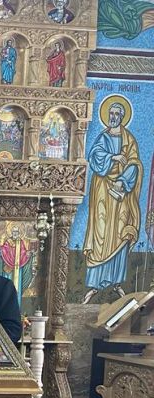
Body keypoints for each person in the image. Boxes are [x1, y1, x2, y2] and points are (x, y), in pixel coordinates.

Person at [82, 100, 141, 304]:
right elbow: (94, 156)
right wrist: (113, 157)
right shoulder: (103, 136)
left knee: (119, 232)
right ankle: (94, 285)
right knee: (100, 232)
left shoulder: (129, 139)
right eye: (112, 113)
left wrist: (123, 179)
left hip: (120, 192)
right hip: (102, 190)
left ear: (122, 117)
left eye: (117, 114)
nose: (113, 116)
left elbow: (135, 162)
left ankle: (116, 283)